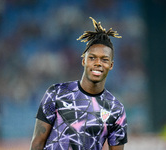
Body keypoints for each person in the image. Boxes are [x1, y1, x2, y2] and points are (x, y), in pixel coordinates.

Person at [30, 17, 128, 150]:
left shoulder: (116, 109)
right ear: (84, 61)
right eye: (92, 58)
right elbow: (37, 143)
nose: (98, 63)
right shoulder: (56, 93)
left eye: (104, 59)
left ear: (111, 65)